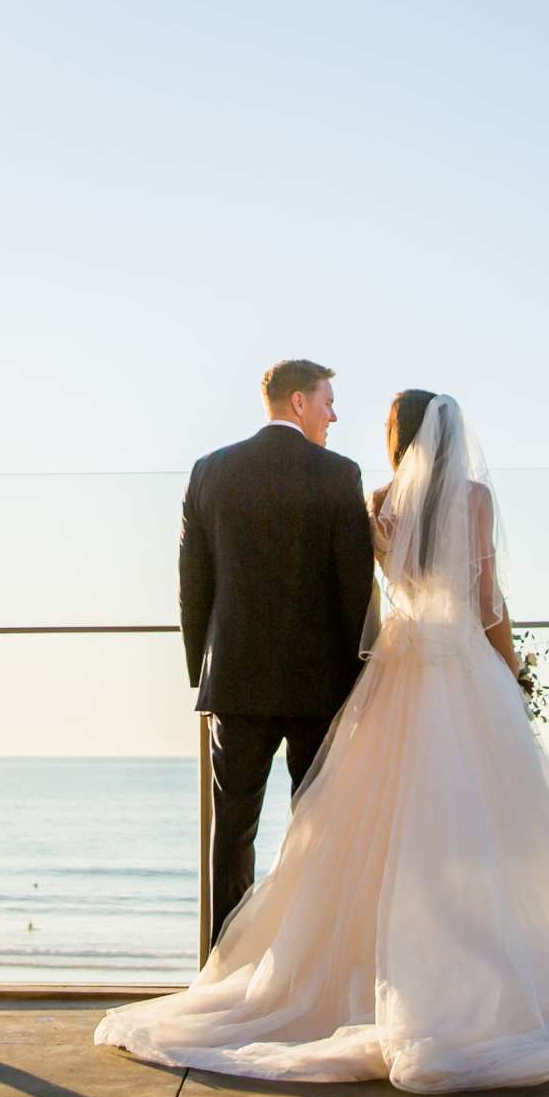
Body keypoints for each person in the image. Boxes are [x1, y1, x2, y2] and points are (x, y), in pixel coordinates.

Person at [97, 390, 549, 1093]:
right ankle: (476, 979)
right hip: (460, 670)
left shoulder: (379, 501)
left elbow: (359, 594)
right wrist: (512, 674)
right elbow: (486, 603)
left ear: (402, 437)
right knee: (487, 836)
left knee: (368, 839)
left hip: (397, 667)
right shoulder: (472, 499)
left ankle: (318, 973)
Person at [176, 358, 377, 943]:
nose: (332, 414)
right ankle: (306, 960)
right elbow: (352, 589)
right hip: (319, 688)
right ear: (298, 403)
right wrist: (359, 679)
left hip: (234, 681)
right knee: (315, 828)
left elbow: (193, 584)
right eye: (326, 401)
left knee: (232, 833)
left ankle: (222, 967)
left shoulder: (209, 471)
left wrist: (202, 671)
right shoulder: (340, 475)